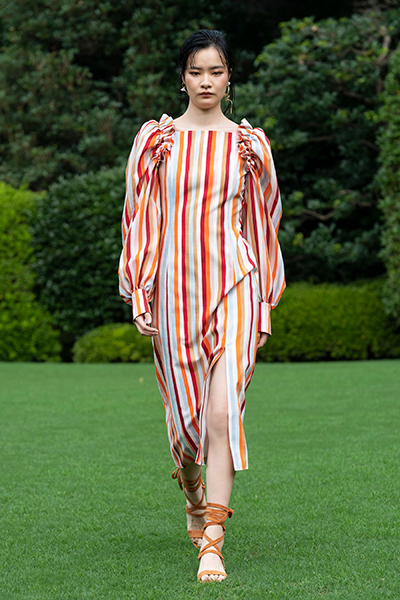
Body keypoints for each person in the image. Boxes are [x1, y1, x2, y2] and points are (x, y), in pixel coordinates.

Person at [118, 29, 285, 583]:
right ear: (183, 77)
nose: (206, 81)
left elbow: (263, 224)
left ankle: (212, 540)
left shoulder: (249, 146)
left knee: (221, 414)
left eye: (216, 71)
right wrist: (139, 287)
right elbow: (140, 216)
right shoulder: (156, 142)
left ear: (229, 77)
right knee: (186, 425)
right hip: (174, 294)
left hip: (236, 286)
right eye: (196, 71)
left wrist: (265, 300)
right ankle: (191, 492)